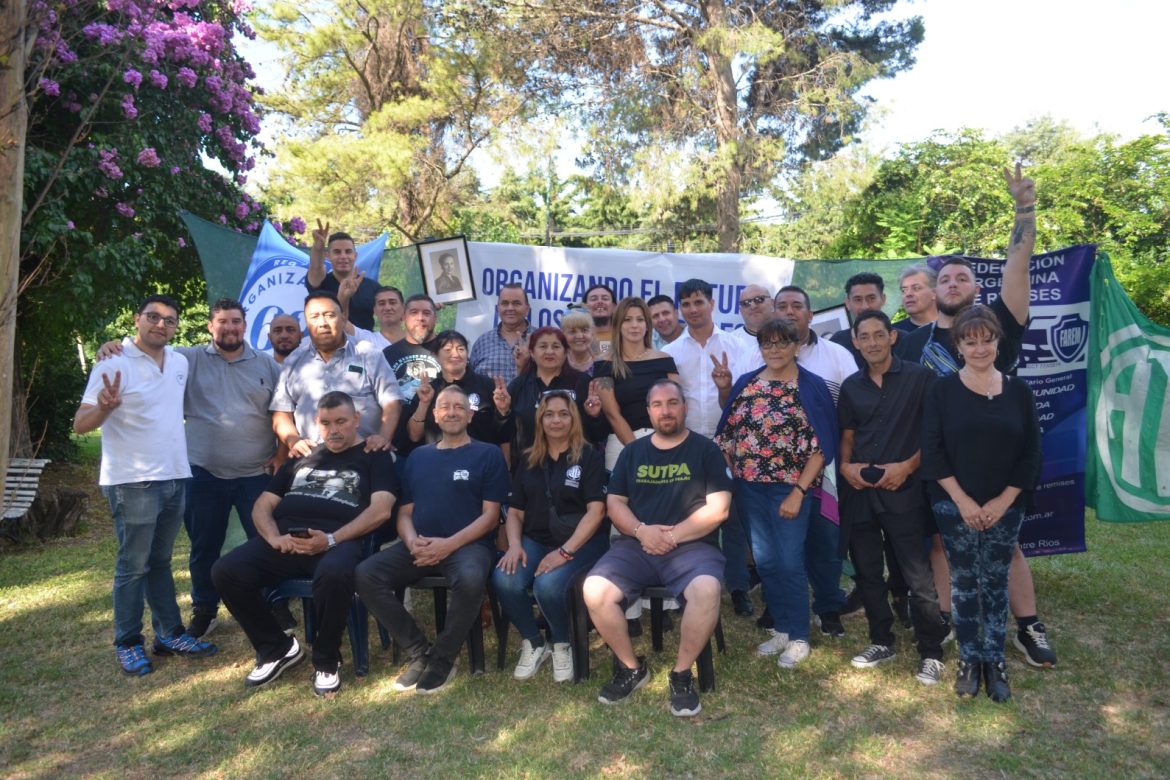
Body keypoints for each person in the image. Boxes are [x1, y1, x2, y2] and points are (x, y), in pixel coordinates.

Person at [896, 164, 1057, 670]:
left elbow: (1018, 265)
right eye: (944, 278)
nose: (952, 282)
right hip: (939, 465)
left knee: (1008, 547)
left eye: (962, 276)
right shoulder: (912, 343)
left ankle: (1028, 626)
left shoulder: (998, 325)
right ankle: (949, 618)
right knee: (942, 544)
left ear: (975, 289)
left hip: (996, 462)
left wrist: (1024, 209)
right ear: (932, 291)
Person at [211, 391, 397, 696]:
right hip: (286, 539)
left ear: (356, 420)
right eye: (326, 423)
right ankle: (276, 648)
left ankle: (326, 660)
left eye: (341, 422)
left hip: (340, 540)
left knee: (334, 574)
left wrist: (331, 539)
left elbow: (381, 510)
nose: (333, 430)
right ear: (317, 423)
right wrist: (274, 538)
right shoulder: (303, 455)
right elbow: (262, 505)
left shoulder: (374, 455)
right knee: (225, 571)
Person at [74, 294, 217, 675]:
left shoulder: (179, 361)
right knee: (132, 565)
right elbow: (80, 424)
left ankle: (169, 634)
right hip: (132, 481)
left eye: (169, 320)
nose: (160, 324)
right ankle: (127, 642)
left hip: (174, 476)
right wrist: (104, 407)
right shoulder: (113, 362)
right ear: (137, 319)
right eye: (153, 317)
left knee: (160, 562)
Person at [583, 379, 732, 717]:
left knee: (707, 590)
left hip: (693, 545)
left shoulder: (705, 450)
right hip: (637, 545)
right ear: (649, 412)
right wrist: (642, 531)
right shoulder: (632, 452)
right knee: (594, 589)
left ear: (685, 407)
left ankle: (681, 674)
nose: (666, 411)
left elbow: (719, 508)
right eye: (658, 405)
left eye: (672, 403)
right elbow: (615, 503)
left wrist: (673, 535)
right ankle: (631, 668)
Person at [920, 305, 1042, 702]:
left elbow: (1031, 454)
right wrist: (964, 502)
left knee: (995, 582)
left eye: (986, 340)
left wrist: (1004, 502)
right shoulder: (941, 390)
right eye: (970, 342)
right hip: (953, 504)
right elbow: (933, 451)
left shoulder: (1019, 391)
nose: (979, 348)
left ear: (997, 342)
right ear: (958, 346)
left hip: (1007, 505)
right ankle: (970, 661)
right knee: (965, 582)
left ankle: (995, 661)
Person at [356, 385, 511, 694]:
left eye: (459, 407)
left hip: (469, 546)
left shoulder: (488, 454)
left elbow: (491, 517)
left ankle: (442, 659)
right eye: (445, 407)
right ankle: (419, 651)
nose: (452, 412)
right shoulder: (418, 457)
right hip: (421, 545)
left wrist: (448, 545)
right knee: (366, 574)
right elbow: (404, 513)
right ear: (436, 416)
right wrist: (412, 541)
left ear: (470, 415)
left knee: (470, 578)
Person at [714, 319, 838, 669]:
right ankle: (782, 628)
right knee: (766, 561)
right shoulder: (747, 383)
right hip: (750, 489)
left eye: (782, 342)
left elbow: (822, 446)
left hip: (790, 488)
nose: (774, 349)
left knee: (788, 561)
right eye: (767, 343)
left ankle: (799, 636)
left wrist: (798, 491)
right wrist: (734, 470)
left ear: (797, 346)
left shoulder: (810, 386)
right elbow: (727, 433)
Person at [837, 311, 948, 685]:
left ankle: (931, 651)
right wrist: (846, 467)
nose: (872, 342)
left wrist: (907, 467)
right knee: (868, 572)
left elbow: (935, 433)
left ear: (892, 337)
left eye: (878, 335)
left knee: (918, 576)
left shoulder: (920, 379)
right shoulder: (851, 386)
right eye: (864, 336)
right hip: (860, 491)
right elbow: (847, 435)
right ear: (855, 342)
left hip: (903, 490)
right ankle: (881, 640)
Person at [492, 392, 609, 682]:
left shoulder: (589, 457)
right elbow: (515, 512)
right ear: (540, 420)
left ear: (573, 419)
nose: (556, 420)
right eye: (549, 414)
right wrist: (514, 545)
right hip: (535, 539)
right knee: (505, 579)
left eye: (563, 414)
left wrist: (565, 552)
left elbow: (596, 512)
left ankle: (561, 641)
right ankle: (534, 641)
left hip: (581, 543)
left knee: (547, 585)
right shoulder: (528, 459)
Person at [664, 279, 762, 617]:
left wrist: (725, 388)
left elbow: (747, 399)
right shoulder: (671, 352)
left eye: (698, 302)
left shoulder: (738, 346)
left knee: (732, 518)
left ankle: (738, 587)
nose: (693, 309)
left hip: (730, 445)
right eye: (686, 304)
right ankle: (687, 585)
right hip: (687, 444)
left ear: (712, 304)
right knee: (688, 516)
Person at [773, 284, 857, 637]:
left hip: (825, 467)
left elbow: (855, 406)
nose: (789, 312)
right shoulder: (759, 355)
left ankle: (827, 605)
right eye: (782, 306)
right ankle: (782, 607)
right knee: (779, 541)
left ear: (810, 315)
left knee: (825, 538)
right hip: (776, 469)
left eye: (797, 306)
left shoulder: (837, 355)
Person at [271, 291, 402, 457]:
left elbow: (392, 402)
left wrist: (383, 437)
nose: (322, 323)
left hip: (365, 455)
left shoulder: (368, 354)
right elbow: (281, 413)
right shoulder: (293, 362)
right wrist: (294, 441)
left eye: (329, 315)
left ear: (343, 318)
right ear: (307, 323)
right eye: (314, 317)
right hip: (314, 459)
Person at [593, 297, 679, 471]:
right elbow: (612, 414)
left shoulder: (665, 360)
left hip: (664, 444)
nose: (634, 325)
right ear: (618, 324)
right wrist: (639, 451)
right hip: (622, 446)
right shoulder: (604, 364)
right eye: (627, 320)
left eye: (640, 319)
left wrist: (663, 445)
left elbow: (677, 406)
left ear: (647, 325)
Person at [495, 327, 599, 463]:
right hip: (529, 465)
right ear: (532, 353)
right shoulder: (518, 386)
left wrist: (594, 416)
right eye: (543, 346)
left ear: (566, 352)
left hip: (575, 464)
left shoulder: (582, 383)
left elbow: (598, 434)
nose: (549, 352)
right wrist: (503, 412)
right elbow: (504, 435)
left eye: (556, 346)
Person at [401, 330, 504, 451]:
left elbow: (504, 433)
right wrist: (424, 404)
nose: (455, 354)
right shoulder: (428, 390)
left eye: (461, 349)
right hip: (438, 458)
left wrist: (504, 410)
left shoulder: (486, 385)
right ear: (435, 355)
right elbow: (414, 436)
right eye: (448, 350)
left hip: (480, 458)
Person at [306, 220, 380, 330]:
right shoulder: (320, 283)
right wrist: (318, 247)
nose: (343, 256)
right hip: (330, 339)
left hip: (365, 340)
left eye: (348, 251)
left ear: (355, 255)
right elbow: (316, 267)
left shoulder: (372, 287)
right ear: (328, 256)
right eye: (337, 252)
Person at [469, 283, 532, 384]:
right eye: (505, 303)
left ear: (527, 309)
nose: (510, 308)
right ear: (498, 309)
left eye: (516, 303)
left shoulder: (540, 340)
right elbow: (469, 381)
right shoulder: (482, 342)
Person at [383, 294, 442, 402]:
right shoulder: (387, 354)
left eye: (426, 313)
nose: (420, 318)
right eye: (414, 312)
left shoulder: (450, 350)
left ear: (435, 319)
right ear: (404, 318)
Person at [830, 272, 887, 369]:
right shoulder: (837, 343)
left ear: (883, 299)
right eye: (858, 300)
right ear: (848, 303)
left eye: (871, 298)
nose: (865, 306)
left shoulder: (902, 340)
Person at [345, 285, 406, 350]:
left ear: (403, 308)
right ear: (374, 310)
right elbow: (342, 322)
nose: (387, 308)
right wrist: (344, 298)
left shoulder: (413, 339)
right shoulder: (366, 339)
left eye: (392, 303)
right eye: (381, 304)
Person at [895, 264, 938, 334]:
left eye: (916, 288)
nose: (908, 294)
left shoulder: (953, 328)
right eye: (904, 290)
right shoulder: (893, 334)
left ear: (935, 293)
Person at [560, 308, 598, 375]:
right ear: (563, 334)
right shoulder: (556, 364)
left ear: (592, 333)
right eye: (572, 331)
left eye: (584, 330)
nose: (579, 336)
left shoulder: (604, 364)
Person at [584, 283, 617, 356]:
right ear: (585, 307)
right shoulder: (578, 337)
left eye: (605, 298)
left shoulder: (623, 336)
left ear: (614, 306)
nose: (599, 302)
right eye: (594, 299)